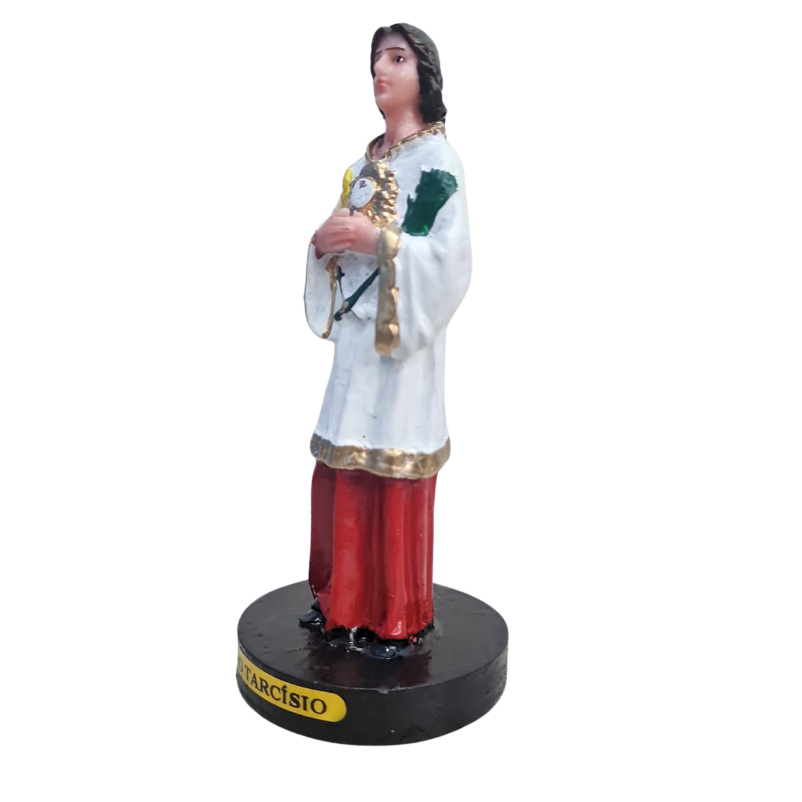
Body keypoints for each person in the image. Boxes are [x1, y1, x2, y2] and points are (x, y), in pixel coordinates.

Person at [302, 23, 471, 659]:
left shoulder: (438, 165)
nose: (382, 70)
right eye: (377, 59)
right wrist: (322, 245)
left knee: (389, 472)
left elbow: (448, 260)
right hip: (355, 348)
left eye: (397, 58)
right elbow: (336, 246)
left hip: (399, 355)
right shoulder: (360, 168)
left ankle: (393, 619)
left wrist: (378, 242)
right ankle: (339, 605)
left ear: (424, 74)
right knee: (342, 465)